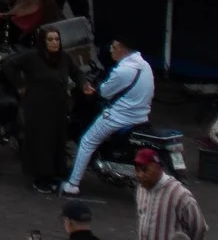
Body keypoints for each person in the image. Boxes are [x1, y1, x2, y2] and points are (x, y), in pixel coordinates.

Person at [62, 38, 155, 194]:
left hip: (120, 117)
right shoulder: (145, 66)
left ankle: (72, 184)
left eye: (113, 47)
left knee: (87, 141)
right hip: (141, 116)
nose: (110, 50)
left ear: (121, 49)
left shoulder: (123, 70)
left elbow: (104, 92)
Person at [9, 26, 86, 192]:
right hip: (38, 108)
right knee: (41, 142)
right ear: (43, 42)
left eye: (57, 39)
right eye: (50, 40)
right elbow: (10, 65)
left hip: (58, 107)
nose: (54, 43)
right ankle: (40, 178)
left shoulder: (64, 57)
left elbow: (76, 73)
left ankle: (54, 174)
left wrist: (83, 85)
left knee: (57, 141)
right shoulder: (32, 56)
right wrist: (20, 85)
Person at [130, 148, 205, 240]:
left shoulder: (179, 194)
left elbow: (198, 227)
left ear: (158, 168)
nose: (140, 175)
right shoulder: (141, 190)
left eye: (145, 169)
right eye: (137, 170)